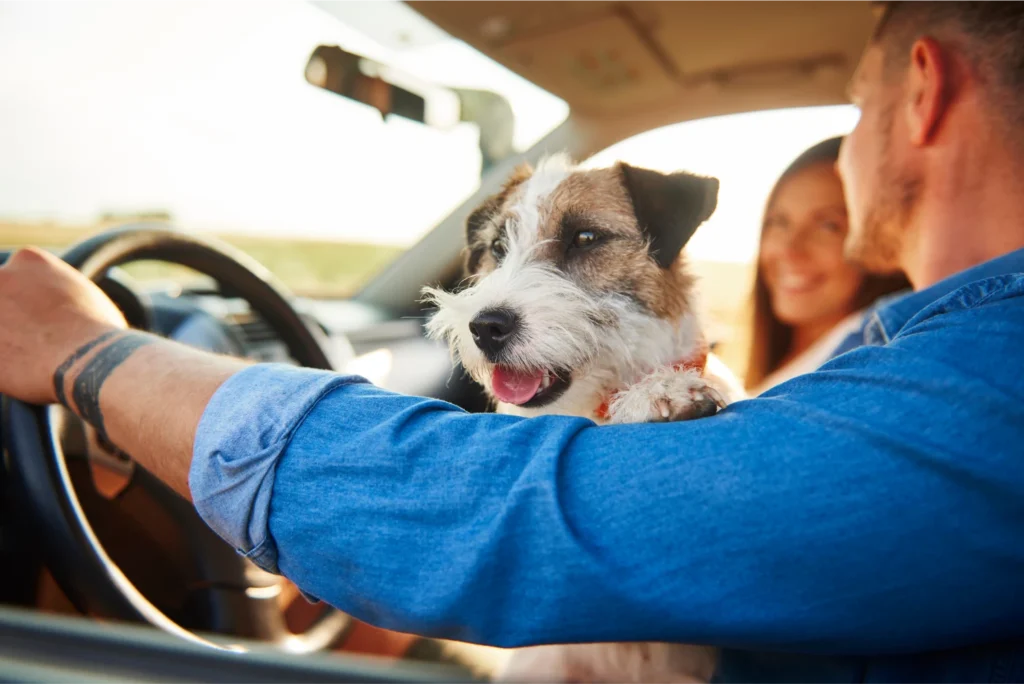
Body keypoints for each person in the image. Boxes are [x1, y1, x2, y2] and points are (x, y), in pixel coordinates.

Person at [1, 0, 1023, 681]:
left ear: (921, 90)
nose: (843, 151)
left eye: (854, 108)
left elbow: (529, 518)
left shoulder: (989, 387)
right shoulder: (912, 364)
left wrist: (92, 356)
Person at [745, 136, 910, 393]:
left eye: (828, 226)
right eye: (779, 222)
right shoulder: (797, 358)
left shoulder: (862, 361)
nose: (790, 250)